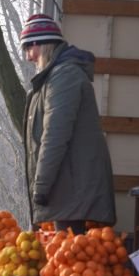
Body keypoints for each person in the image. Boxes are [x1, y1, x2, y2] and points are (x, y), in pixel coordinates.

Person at [21, 13, 116, 234]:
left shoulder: (64, 77)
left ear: (42, 45)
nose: (28, 57)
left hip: (71, 193)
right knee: (64, 261)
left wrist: (41, 187)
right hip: (67, 189)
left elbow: (54, 136)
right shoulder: (53, 78)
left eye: (29, 48)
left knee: (69, 261)